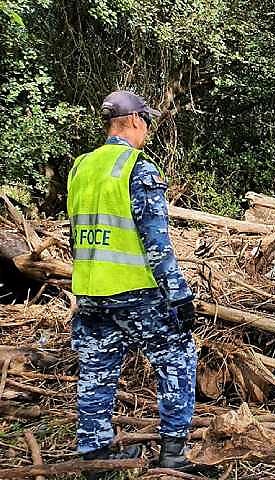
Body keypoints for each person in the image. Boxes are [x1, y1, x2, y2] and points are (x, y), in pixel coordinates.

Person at [66, 91, 198, 477]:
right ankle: (173, 455)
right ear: (136, 121)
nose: (148, 131)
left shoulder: (81, 168)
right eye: (147, 123)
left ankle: (96, 461)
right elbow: (157, 243)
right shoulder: (137, 169)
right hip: (136, 292)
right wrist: (178, 295)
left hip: (90, 292)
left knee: (95, 371)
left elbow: (76, 234)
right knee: (177, 358)